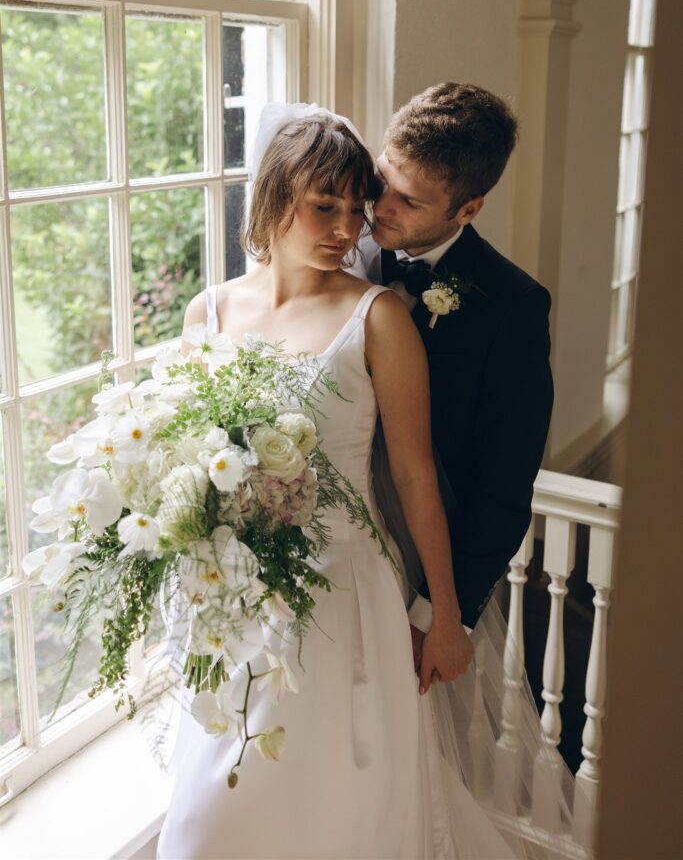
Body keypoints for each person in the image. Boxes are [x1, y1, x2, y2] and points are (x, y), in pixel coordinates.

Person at [156, 107, 529, 860]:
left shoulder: (379, 315)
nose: (347, 229)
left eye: (356, 210)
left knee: (344, 805)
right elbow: (183, 453)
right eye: (325, 206)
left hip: (345, 592)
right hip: (236, 590)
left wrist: (446, 613)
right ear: (273, 196)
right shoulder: (211, 309)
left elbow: (413, 473)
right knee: (212, 813)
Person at [351, 83, 553, 666]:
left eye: (409, 201)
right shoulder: (335, 242)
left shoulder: (512, 307)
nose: (380, 207)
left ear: (467, 209)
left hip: (424, 567)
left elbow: (505, 486)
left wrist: (440, 614)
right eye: (382, 177)